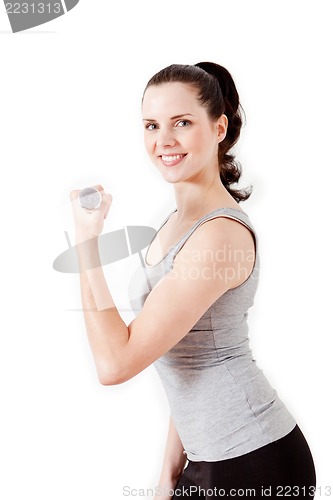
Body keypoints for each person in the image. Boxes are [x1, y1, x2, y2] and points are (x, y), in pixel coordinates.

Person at [69, 62, 316, 499]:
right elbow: (182, 357)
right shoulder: (177, 223)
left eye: (181, 123)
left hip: (254, 461)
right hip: (206, 458)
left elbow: (114, 364)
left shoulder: (218, 235)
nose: (163, 140)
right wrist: (169, 472)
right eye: (151, 125)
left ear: (219, 128)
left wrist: (88, 243)